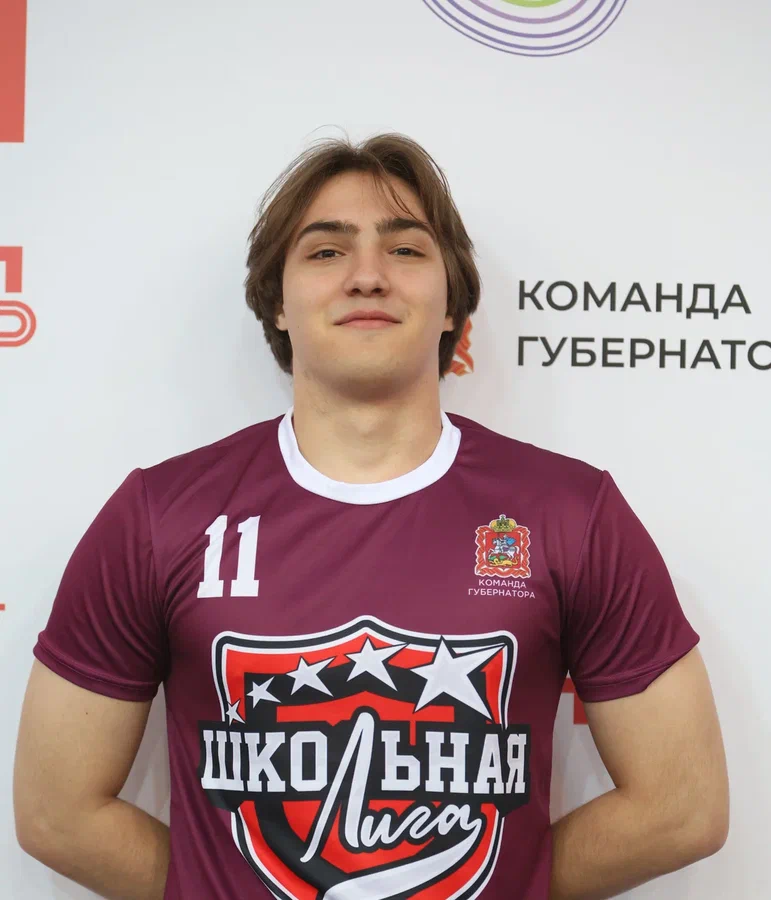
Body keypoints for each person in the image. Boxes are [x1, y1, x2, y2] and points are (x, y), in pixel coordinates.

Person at [14, 132, 729, 900]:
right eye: (325, 252)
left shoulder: (568, 513)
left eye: (405, 250)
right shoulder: (161, 516)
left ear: (451, 302)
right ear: (277, 302)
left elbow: (679, 809)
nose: (366, 276)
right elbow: (59, 814)